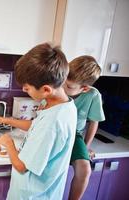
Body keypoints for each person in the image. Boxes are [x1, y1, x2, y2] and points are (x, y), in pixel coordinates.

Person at [0, 43, 77, 200]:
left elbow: (21, 167)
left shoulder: (52, 123)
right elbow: (35, 126)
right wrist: (2, 119)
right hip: (42, 192)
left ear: (46, 89)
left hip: (32, 195)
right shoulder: (63, 105)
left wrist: (9, 143)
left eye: (27, 88)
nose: (24, 91)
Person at [63, 56, 105, 200]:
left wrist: (86, 147)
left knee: (84, 169)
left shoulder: (93, 95)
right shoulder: (58, 85)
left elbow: (94, 122)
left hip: (75, 135)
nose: (63, 87)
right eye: (63, 82)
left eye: (69, 86)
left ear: (85, 88)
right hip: (53, 131)